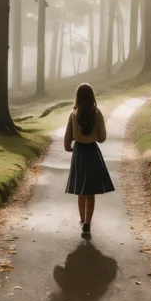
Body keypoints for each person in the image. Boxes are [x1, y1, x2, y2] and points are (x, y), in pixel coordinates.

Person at [64, 83, 115, 236]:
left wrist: (69, 147)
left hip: (79, 152)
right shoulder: (97, 113)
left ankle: (81, 219)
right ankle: (87, 223)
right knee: (90, 191)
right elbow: (102, 138)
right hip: (92, 152)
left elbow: (67, 138)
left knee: (81, 189)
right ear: (92, 96)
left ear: (77, 97)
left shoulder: (73, 114)